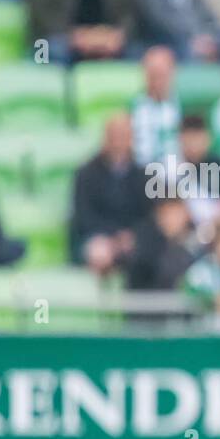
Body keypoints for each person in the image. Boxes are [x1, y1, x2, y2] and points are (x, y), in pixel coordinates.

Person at [69, 114, 150, 274]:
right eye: (115, 135)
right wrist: (114, 235)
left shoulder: (143, 175)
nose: (118, 140)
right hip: (99, 236)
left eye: (124, 135)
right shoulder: (87, 173)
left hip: (133, 237)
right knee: (99, 253)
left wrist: (132, 235)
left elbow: (150, 215)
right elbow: (84, 216)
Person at [131, 46, 182, 166]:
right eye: (153, 75)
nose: (158, 81)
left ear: (173, 74)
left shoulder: (185, 105)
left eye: (162, 75)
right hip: (141, 174)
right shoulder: (133, 108)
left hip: (180, 173)